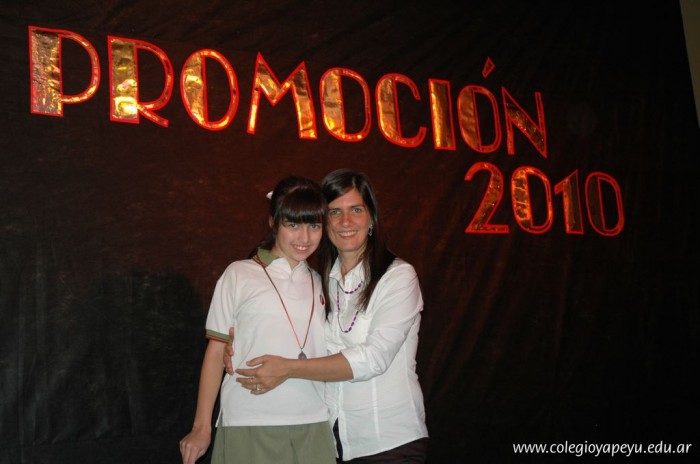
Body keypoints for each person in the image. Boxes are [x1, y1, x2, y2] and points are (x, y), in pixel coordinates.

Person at [225, 168, 429, 463]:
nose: (346, 221)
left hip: (389, 442)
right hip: (332, 442)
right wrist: (238, 344)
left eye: (356, 210)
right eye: (335, 212)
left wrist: (288, 368)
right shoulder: (320, 281)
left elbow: (374, 358)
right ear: (323, 221)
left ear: (371, 218)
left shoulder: (398, 276)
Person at [179, 176, 336, 464]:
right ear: (274, 223)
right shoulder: (239, 274)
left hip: (313, 423)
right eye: (293, 225)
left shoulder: (322, 281)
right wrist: (201, 428)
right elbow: (216, 352)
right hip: (249, 421)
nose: (304, 237)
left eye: (314, 226)